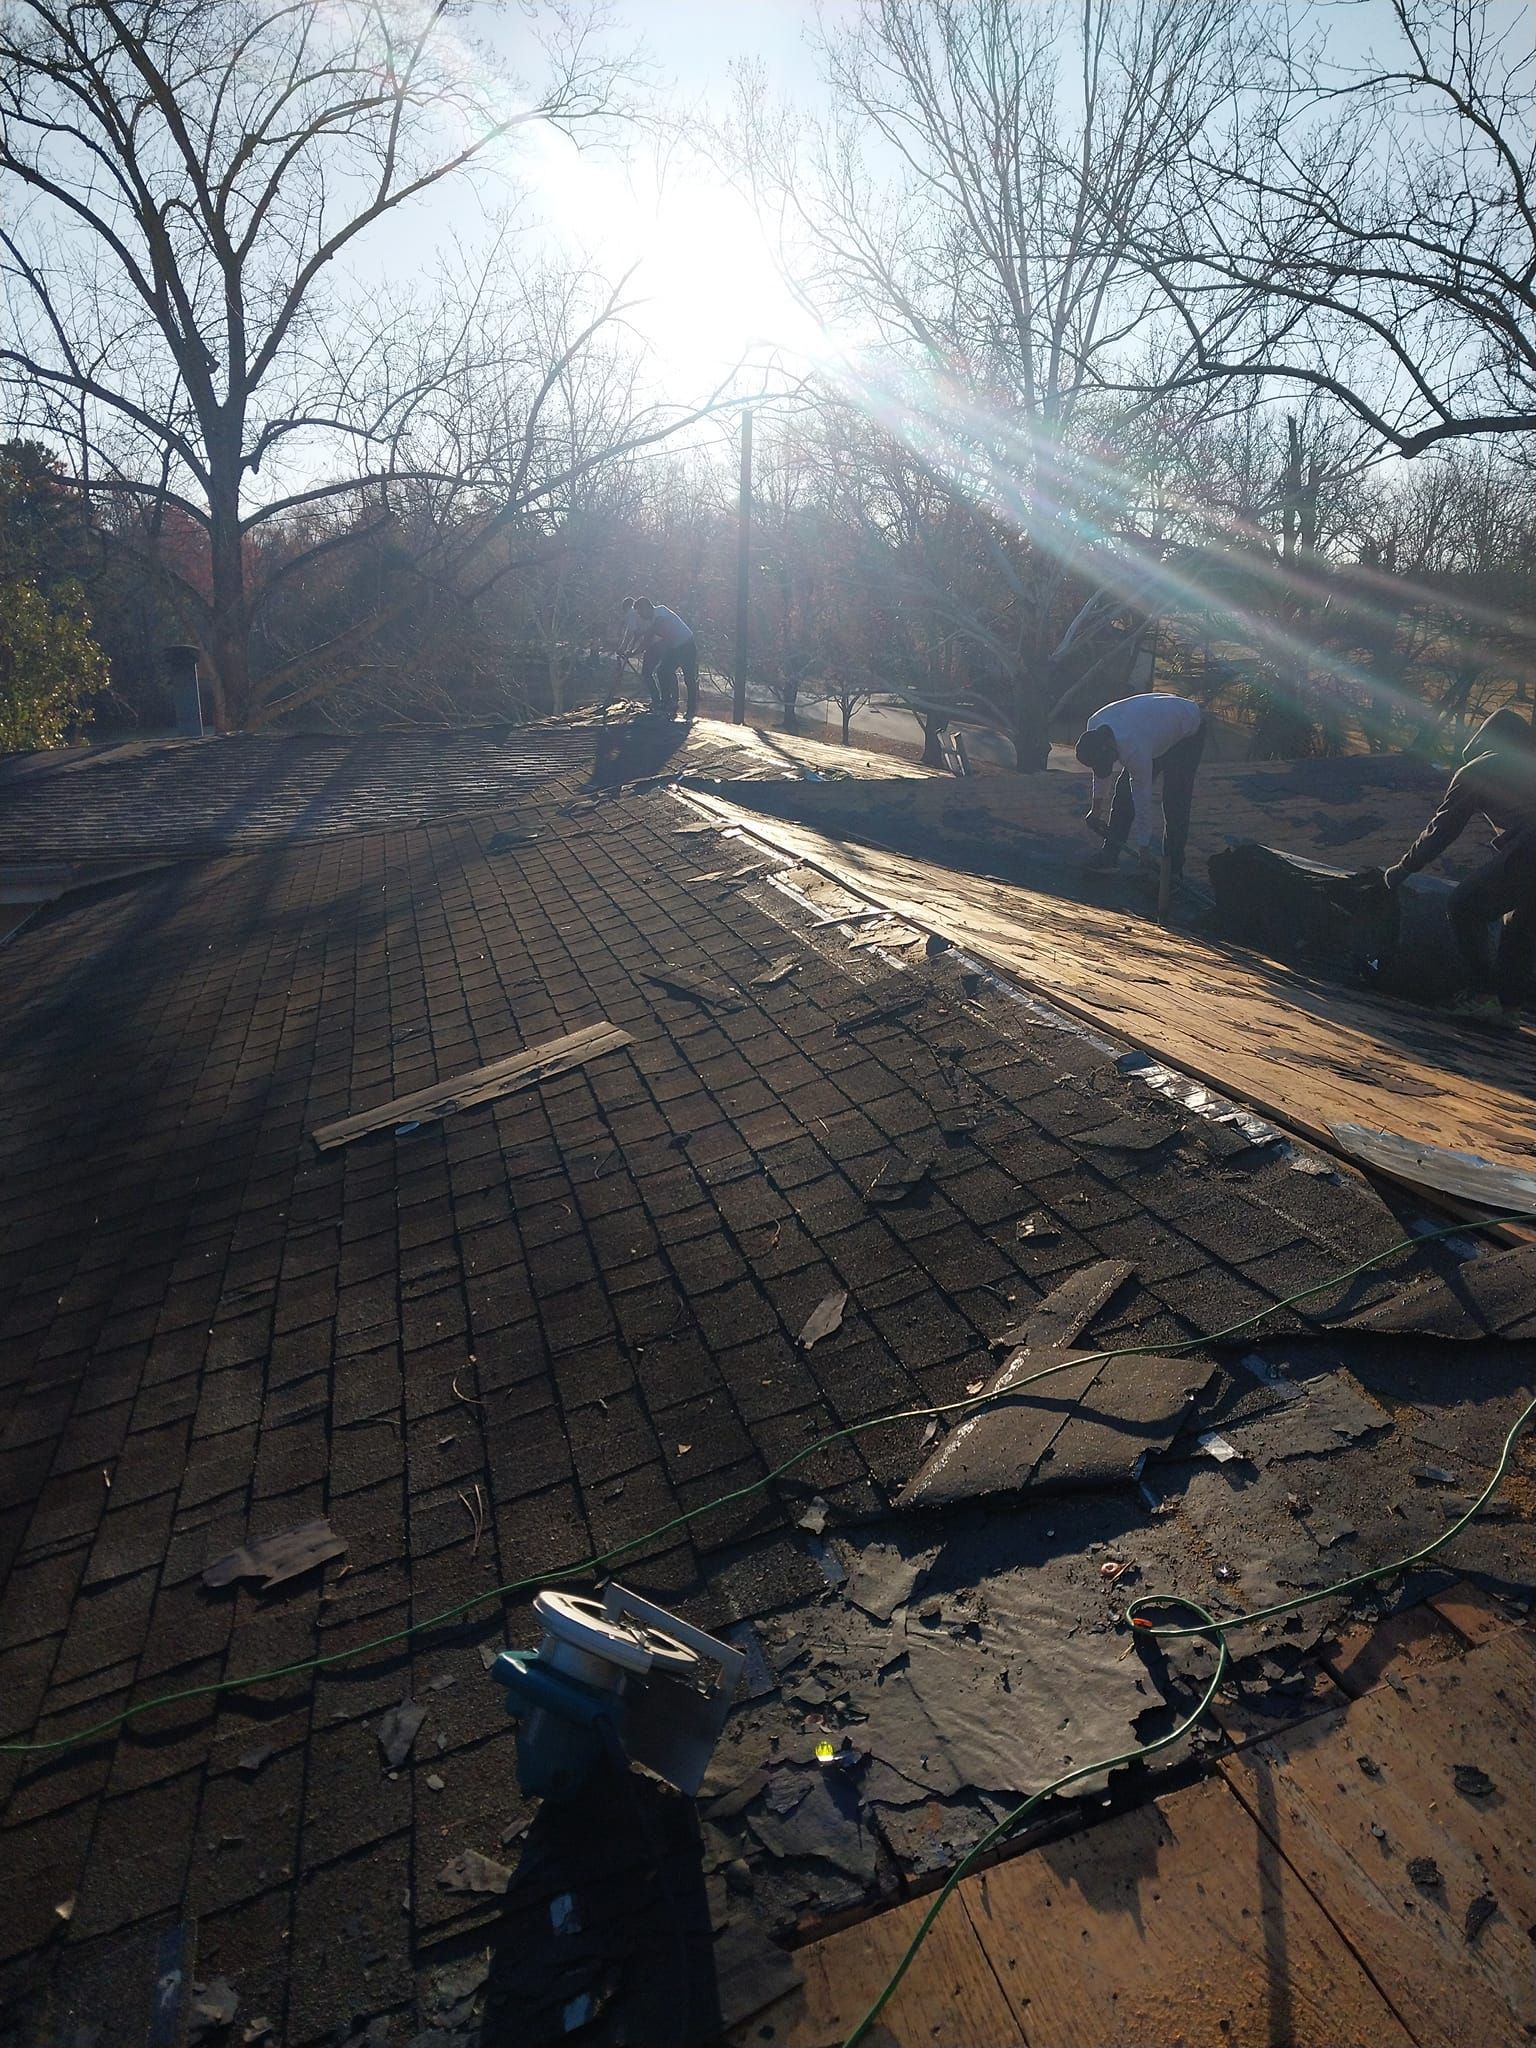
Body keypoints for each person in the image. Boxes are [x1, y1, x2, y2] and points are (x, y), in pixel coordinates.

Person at [1383, 706, 1536, 1029]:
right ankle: (1509, 1007)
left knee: (1465, 905)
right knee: (1520, 929)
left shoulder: (1478, 769)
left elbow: (1444, 829)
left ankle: (1483, 997)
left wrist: (1403, 868)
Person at [1074, 692, 1205, 877]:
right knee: (1124, 795)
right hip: (1156, 726)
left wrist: (1144, 848)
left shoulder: (1135, 749)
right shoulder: (1094, 726)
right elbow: (1100, 772)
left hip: (1188, 731)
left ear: (1112, 748)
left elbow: (1142, 799)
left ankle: (1173, 871)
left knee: (1175, 802)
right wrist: (1096, 809)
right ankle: (1109, 856)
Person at [631, 596, 699, 720]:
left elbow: (653, 635)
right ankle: (667, 702)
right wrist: (633, 652)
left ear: (646, 607)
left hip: (686, 645)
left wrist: (638, 649)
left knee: (689, 677)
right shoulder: (652, 621)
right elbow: (648, 637)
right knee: (662, 671)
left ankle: (691, 709)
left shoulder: (661, 612)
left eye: (640, 612)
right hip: (674, 647)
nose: (640, 615)